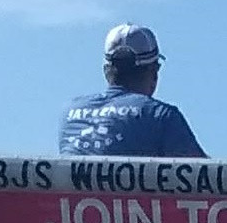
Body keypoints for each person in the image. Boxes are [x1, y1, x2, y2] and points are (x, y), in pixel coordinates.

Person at [59, 24, 205, 158]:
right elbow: (205, 179)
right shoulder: (161, 116)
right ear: (153, 72)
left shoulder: (69, 112)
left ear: (106, 71)